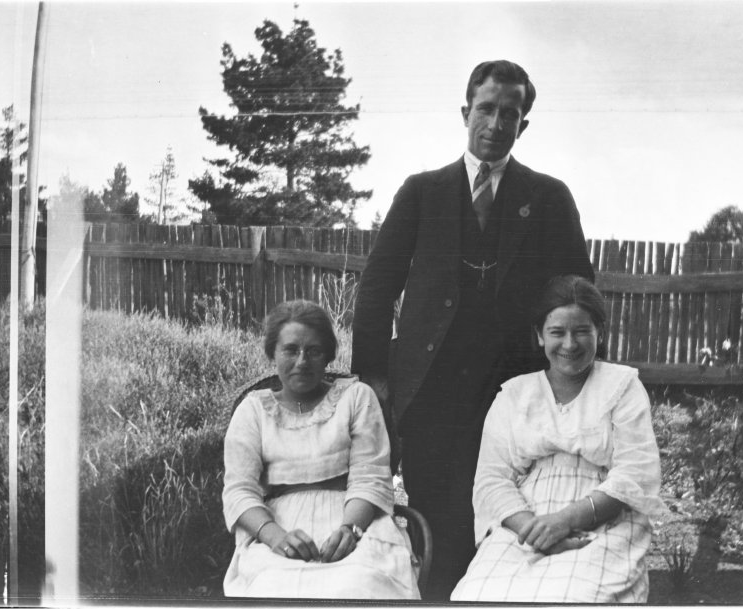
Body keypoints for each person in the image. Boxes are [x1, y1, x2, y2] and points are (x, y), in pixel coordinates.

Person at [351, 59, 594, 599]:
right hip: (430, 390)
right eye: (486, 108)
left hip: (513, 390)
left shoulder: (550, 198)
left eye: (510, 113)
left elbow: (578, 295)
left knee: (506, 515)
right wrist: (375, 381)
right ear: (466, 113)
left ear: (523, 125)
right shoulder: (422, 193)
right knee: (438, 519)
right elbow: (376, 290)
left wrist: (570, 384)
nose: (496, 122)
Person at [451, 275, 667, 602]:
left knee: (574, 597)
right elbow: (492, 479)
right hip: (525, 522)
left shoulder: (622, 386)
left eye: (582, 331)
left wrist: (565, 522)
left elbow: (634, 473)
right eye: (557, 332)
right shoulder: (514, 394)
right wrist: (536, 531)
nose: (569, 344)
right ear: (540, 336)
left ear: (600, 333)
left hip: (600, 519)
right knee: (475, 596)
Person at [222, 300, 419, 599]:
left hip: (355, 519)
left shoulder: (356, 397)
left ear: (328, 355)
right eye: (290, 349)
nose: (302, 361)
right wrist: (274, 537)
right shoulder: (253, 410)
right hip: (278, 526)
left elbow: (371, 476)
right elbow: (238, 489)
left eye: (313, 351)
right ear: (272, 353)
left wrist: (350, 531)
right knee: (272, 591)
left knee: (359, 586)